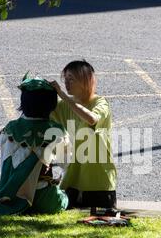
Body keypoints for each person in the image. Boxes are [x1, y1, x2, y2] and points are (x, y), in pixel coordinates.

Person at [0, 75, 70, 217]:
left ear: (23, 103)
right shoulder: (56, 130)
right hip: (43, 198)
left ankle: (12, 205)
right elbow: (66, 164)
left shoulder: (10, 128)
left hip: (11, 195)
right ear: (52, 104)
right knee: (65, 198)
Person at [48, 60, 118, 215]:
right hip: (72, 181)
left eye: (71, 79)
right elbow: (40, 114)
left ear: (87, 80)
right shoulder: (63, 105)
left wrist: (63, 96)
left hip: (98, 182)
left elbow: (91, 119)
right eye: (65, 79)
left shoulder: (100, 103)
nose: (66, 83)